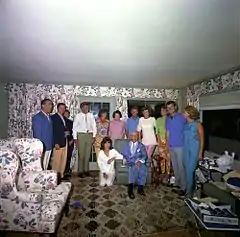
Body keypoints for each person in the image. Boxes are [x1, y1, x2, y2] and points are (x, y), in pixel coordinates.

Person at [165, 101, 186, 195]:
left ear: (175, 107)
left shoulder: (182, 117)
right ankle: (177, 183)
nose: (169, 109)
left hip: (181, 146)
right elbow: (168, 132)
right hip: (171, 146)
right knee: (175, 166)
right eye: (168, 108)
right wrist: (167, 144)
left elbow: (188, 130)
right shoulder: (168, 119)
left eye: (171, 107)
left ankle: (184, 187)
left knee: (182, 167)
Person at [183, 105, 204, 197]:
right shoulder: (185, 124)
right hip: (185, 149)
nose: (183, 114)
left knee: (189, 171)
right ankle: (191, 191)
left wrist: (200, 153)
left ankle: (188, 195)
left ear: (188, 113)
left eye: (184, 112)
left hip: (194, 150)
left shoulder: (198, 124)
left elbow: (202, 140)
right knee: (187, 171)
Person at [73, 102, 97, 178]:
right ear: (82, 108)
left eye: (88, 107)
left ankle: (86, 170)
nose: (87, 109)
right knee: (81, 154)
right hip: (81, 135)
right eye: (85, 107)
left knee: (87, 154)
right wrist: (75, 138)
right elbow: (74, 128)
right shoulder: (78, 116)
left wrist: (93, 136)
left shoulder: (91, 115)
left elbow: (94, 126)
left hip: (89, 135)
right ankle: (80, 171)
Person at [121, 131, 148, 199]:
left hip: (139, 162)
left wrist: (139, 162)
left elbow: (144, 155)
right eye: (132, 135)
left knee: (143, 168)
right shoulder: (126, 145)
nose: (134, 137)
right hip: (130, 162)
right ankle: (130, 190)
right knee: (132, 168)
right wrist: (133, 162)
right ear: (130, 136)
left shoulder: (141, 145)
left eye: (135, 135)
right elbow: (125, 155)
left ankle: (140, 188)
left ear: (137, 137)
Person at [32, 99, 53, 170]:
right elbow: (37, 135)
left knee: (46, 165)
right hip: (42, 147)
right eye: (49, 104)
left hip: (49, 145)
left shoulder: (48, 117)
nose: (51, 106)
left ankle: (46, 179)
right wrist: (40, 147)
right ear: (43, 105)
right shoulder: (38, 117)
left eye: (51, 104)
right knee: (41, 166)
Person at [51, 103, 68, 179]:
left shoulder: (63, 117)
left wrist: (65, 133)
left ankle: (60, 176)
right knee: (56, 161)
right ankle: (54, 177)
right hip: (58, 143)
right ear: (57, 108)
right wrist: (55, 142)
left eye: (64, 108)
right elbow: (53, 131)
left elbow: (61, 129)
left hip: (64, 141)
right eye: (61, 108)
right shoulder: (53, 117)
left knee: (63, 160)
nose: (63, 109)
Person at [156, 104, 171, 183]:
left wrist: (168, 142)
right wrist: (159, 142)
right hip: (161, 141)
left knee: (168, 158)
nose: (162, 112)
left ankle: (168, 174)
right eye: (161, 110)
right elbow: (157, 132)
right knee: (162, 158)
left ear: (166, 111)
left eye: (163, 110)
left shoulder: (170, 119)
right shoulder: (158, 120)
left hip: (169, 141)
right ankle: (162, 172)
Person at [64, 109, 74, 177]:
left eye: (67, 114)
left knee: (68, 157)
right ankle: (62, 171)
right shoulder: (60, 122)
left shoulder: (71, 122)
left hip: (70, 141)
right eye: (65, 114)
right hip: (62, 142)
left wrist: (72, 140)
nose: (66, 115)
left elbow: (74, 132)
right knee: (63, 157)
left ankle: (67, 170)